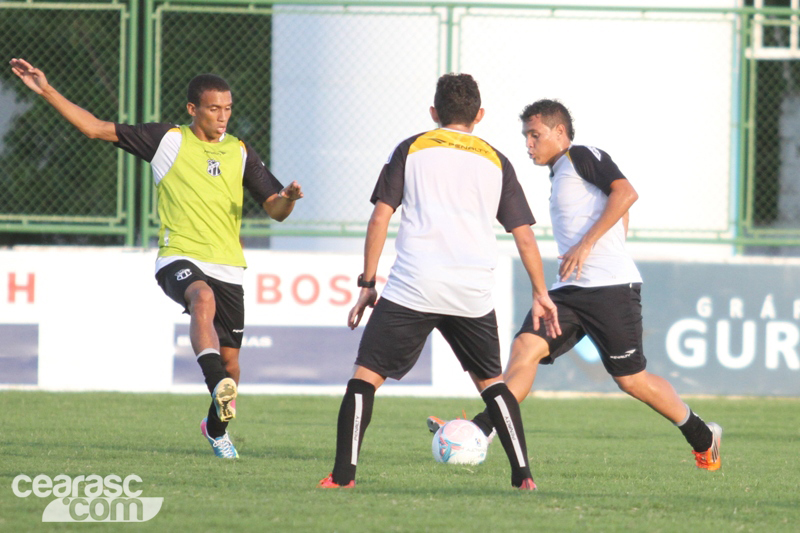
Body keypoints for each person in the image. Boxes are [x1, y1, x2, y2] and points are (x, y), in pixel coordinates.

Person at [10, 58, 303, 459]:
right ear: (192, 110)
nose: (222, 116)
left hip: (228, 265)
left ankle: (215, 428)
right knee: (202, 299)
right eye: (214, 108)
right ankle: (214, 379)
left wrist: (286, 199)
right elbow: (93, 127)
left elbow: (274, 209)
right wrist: (46, 89)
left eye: (228, 108)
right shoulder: (167, 139)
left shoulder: (240, 151)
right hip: (178, 255)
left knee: (234, 366)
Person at [428, 99, 722, 474]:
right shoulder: (559, 174)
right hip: (568, 292)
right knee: (524, 349)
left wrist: (590, 245)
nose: (529, 144)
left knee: (632, 380)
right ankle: (481, 430)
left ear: (560, 133)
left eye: (535, 135)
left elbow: (626, 193)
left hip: (611, 289)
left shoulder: (581, 155)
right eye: (526, 136)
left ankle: (702, 437)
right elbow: (617, 208)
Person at [317, 74, 560, 490]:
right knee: (493, 385)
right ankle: (524, 478)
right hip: (472, 291)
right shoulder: (497, 159)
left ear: (434, 113)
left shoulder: (411, 148)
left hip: (415, 284)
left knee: (365, 378)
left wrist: (367, 282)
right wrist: (541, 293)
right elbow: (523, 235)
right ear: (479, 115)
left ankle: (342, 478)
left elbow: (380, 217)